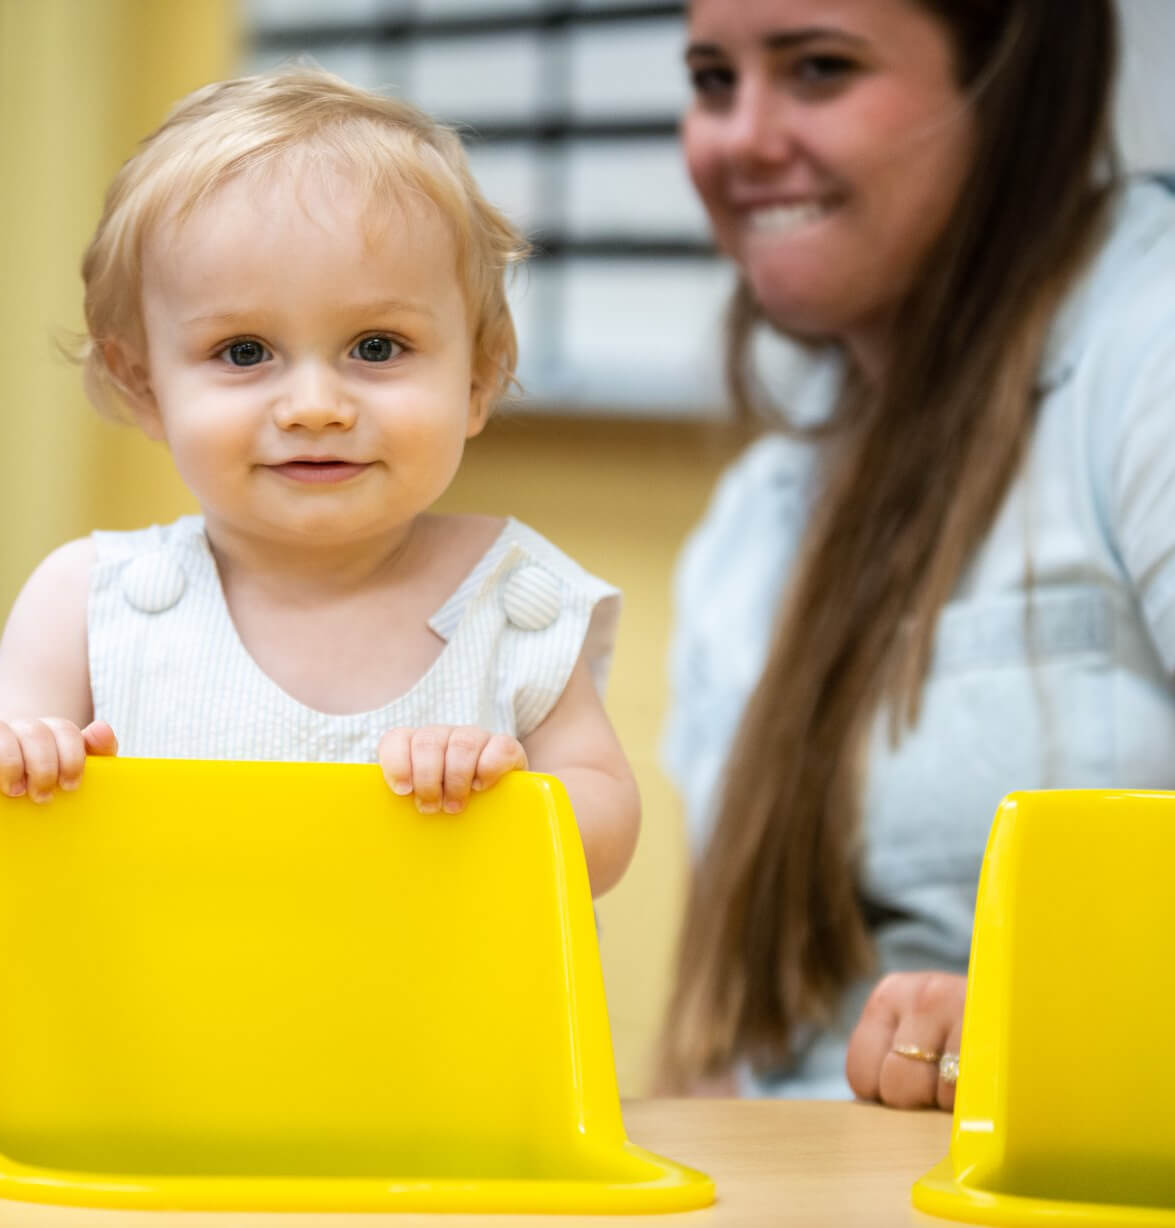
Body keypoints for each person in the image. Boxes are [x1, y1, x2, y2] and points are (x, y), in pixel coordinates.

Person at [658, 0, 1175, 1107]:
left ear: (1007, 84)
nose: (740, 137)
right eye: (710, 78)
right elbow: (720, 1055)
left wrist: (1065, 1011)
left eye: (818, 69)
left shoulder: (1149, 350)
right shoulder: (752, 520)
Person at [0, 66, 640, 898]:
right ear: (145, 388)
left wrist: (509, 799)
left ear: (478, 380)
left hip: (435, 1028)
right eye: (243, 352)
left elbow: (605, 828)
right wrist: (25, 761)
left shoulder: (512, 604)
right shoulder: (90, 604)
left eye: (376, 347)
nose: (313, 408)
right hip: (159, 1025)